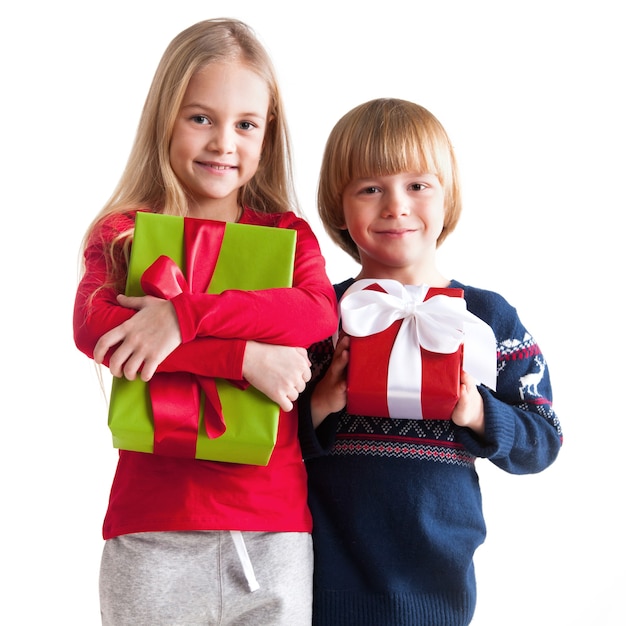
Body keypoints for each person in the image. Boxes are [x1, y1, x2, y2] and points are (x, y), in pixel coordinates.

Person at [73, 18, 337, 625]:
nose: (224, 142)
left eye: (246, 124)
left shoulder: (287, 237)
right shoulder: (122, 234)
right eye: (201, 118)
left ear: (267, 137)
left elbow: (317, 315)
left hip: (272, 529)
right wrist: (241, 358)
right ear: (164, 118)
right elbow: (96, 331)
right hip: (152, 529)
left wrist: (182, 317)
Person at [298, 98, 563, 626]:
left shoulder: (487, 317)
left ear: (448, 195)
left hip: (440, 587)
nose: (395, 205)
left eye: (417, 185)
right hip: (324, 581)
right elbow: (263, 439)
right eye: (370, 188)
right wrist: (318, 406)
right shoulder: (319, 313)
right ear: (338, 205)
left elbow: (545, 439)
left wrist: (480, 413)